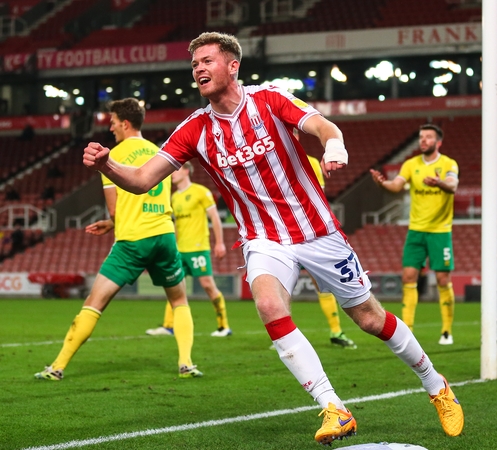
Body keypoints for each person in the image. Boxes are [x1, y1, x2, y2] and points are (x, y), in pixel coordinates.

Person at [82, 32, 462, 444]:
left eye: (207, 61)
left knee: (369, 318)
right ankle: (334, 407)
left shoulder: (269, 99)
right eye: (194, 65)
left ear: (232, 66)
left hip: (317, 230)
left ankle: (435, 383)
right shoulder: (194, 129)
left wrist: (334, 145)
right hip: (263, 238)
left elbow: (321, 125)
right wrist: (108, 166)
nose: (199, 70)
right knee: (267, 303)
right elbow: (139, 180)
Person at [36, 98, 201, 381]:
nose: (111, 128)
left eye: (112, 122)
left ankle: (57, 367)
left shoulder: (110, 156)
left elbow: (114, 207)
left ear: (125, 123)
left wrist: (114, 221)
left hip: (132, 240)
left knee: (93, 303)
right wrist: (114, 222)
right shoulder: (159, 151)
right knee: (179, 301)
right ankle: (186, 363)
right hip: (164, 235)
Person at [369, 124, 459, 346]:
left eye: (428, 137)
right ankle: (407, 329)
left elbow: (453, 184)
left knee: (442, 279)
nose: (423, 140)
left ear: (438, 142)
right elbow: (396, 185)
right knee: (409, 277)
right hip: (416, 230)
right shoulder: (411, 164)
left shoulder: (448, 163)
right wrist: (383, 184)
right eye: (421, 137)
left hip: (440, 231)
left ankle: (446, 330)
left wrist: (439, 182)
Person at [145, 161, 233, 337]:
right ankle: (168, 326)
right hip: (180, 250)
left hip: (198, 248)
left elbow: (215, 218)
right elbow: (176, 224)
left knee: (207, 285)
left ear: (186, 171)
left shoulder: (201, 192)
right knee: (173, 285)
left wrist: (220, 243)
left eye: (176, 171)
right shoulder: (174, 197)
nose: (172, 174)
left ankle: (224, 326)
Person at [293, 127, 356, 349]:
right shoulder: (266, 165)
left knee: (321, 284)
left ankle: (336, 331)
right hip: (279, 235)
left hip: (306, 235)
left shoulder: (310, 163)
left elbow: (316, 201)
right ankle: (284, 336)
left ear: (297, 137)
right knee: (277, 287)